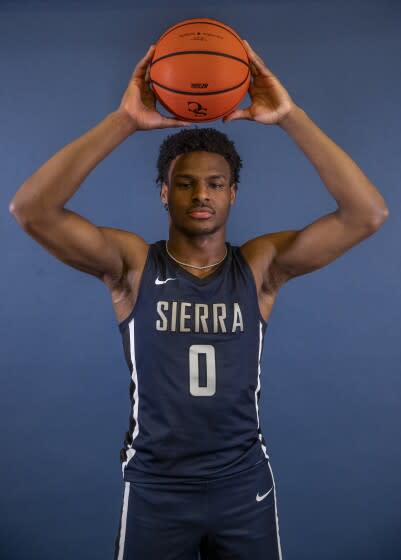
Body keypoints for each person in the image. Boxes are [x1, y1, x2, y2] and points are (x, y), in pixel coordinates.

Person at [9, 40, 389, 560]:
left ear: (234, 192)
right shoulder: (134, 266)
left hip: (242, 485)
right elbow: (31, 210)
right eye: (185, 184)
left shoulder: (258, 268)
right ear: (165, 193)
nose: (201, 195)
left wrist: (289, 116)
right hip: (157, 488)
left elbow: (367, 214)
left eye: (215, 183)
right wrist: (123, 121)